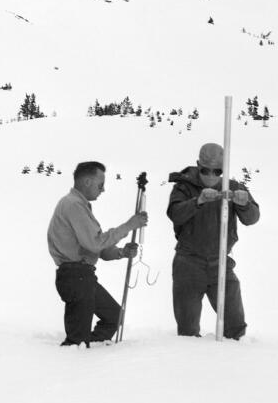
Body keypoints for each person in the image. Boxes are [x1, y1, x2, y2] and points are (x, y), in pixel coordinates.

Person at [47, 161, 148, 347]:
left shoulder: (79, 205)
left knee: (113, 317)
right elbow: (94, 243)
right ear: (87, 182)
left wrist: (121, 252)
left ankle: (94, 352)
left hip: (83, 277)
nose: (103, 190)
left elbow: (96, 246)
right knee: (76, 341)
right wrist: (128, 226)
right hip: (74, 276)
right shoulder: (73, 205)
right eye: (100, 185)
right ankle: (76, 361)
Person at [166, 143, 260, 340]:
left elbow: (252, 218)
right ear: (198, 165)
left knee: (235, 327)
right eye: (205, 170)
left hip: (220, 263)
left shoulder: (233, 187)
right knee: (187, 330)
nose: (210, 175)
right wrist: (197, 201)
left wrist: (245, 205)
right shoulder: (183, 187)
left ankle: (231, 365)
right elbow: (175, 214)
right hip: (188, 263)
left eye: (217, 171)